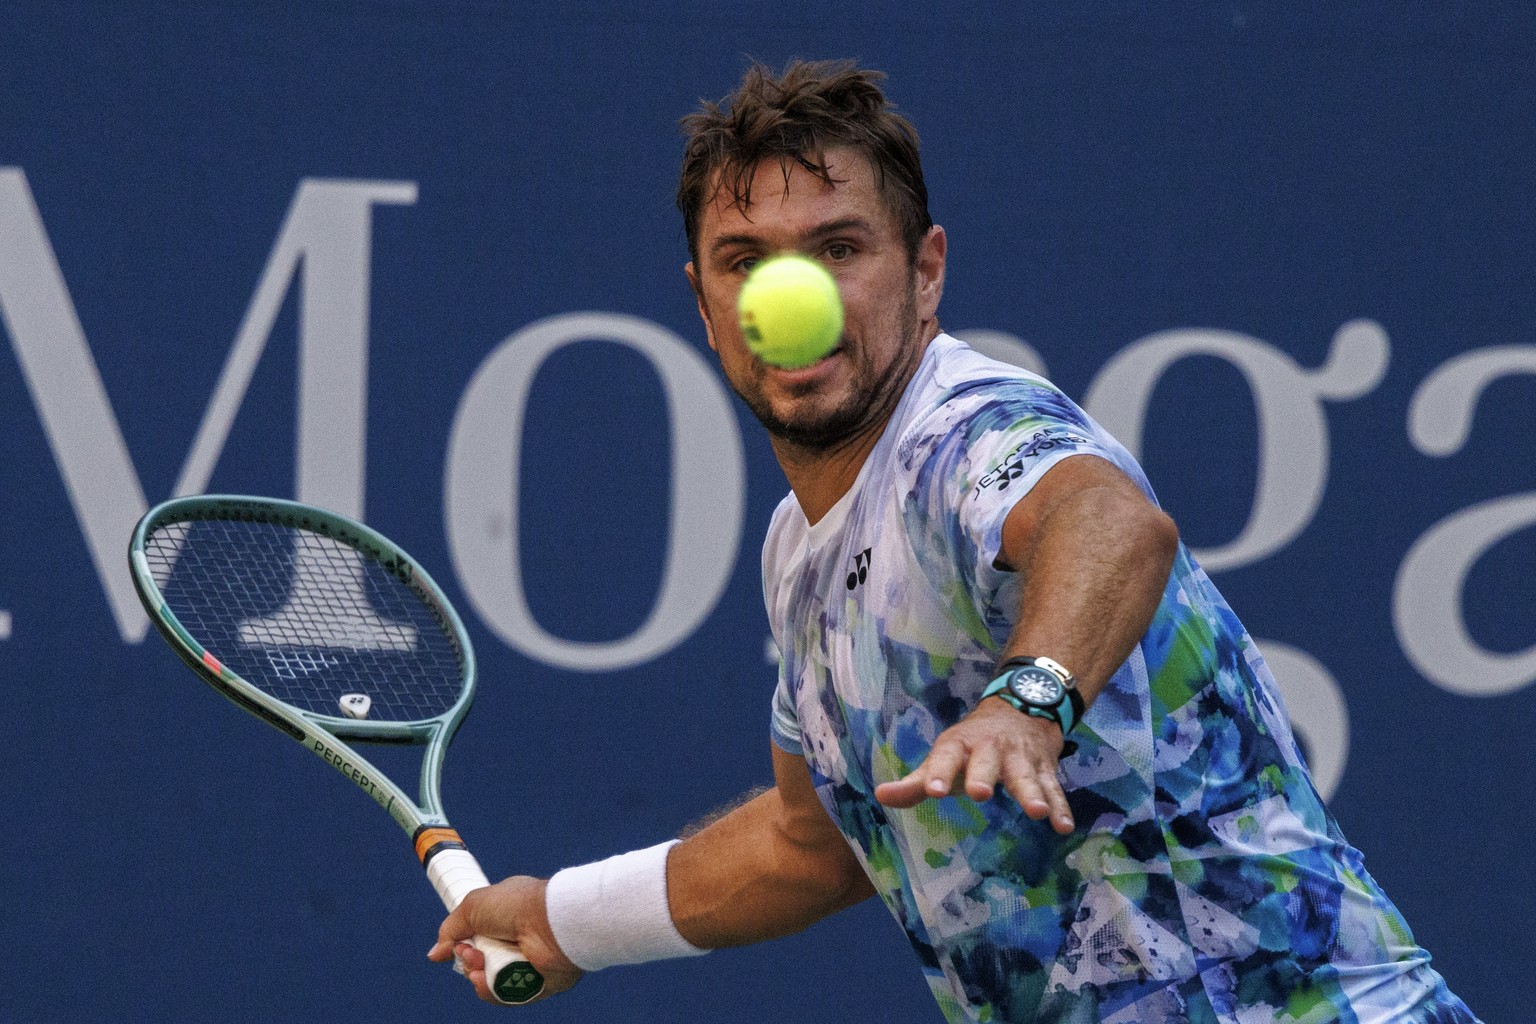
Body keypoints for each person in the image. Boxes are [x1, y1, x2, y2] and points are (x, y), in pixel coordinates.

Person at [430, 60, 1480, 1023]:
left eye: (839, 248)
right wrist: (567, 919)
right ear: (708, 311)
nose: (789, 294)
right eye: (743, 260)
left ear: (926, 273)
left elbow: (1106, 521)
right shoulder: (798, 551)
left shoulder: (963, 431)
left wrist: (1030, 699)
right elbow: (811, 843)